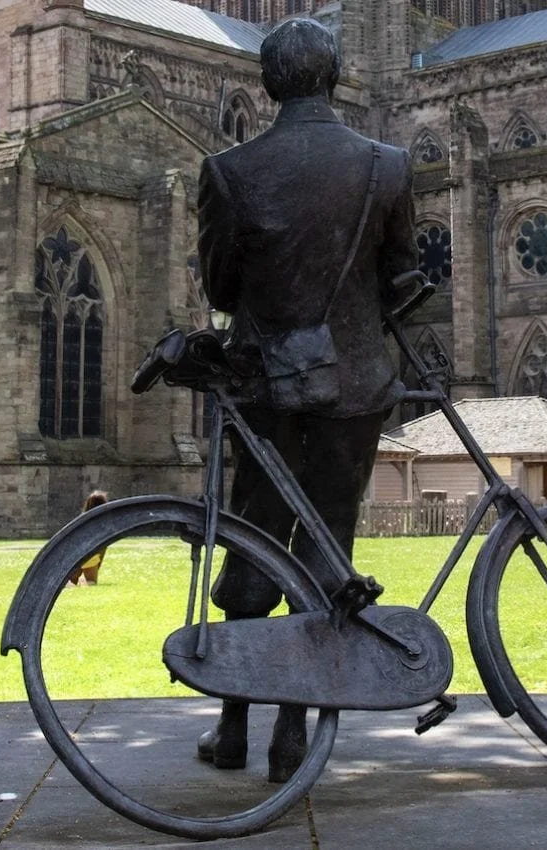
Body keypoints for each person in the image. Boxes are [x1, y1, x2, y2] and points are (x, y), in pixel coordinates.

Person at [193, 17, 420, 785]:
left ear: (267, 83)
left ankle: (231, 727)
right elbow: (401, 283)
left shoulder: (228, 171)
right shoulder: (387, 166)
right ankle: (294, 736)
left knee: (255, 540)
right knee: (329, 545)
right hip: (355, 386)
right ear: (334, 75)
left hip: (268, 384)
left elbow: (221, 289)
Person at [67, 490, 111, 586]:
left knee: (71, 583)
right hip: (91, 555)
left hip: (74, 555)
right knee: (90, 583)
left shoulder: (81, 520)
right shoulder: (103, 523)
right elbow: (102, 547)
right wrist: (97, 566)